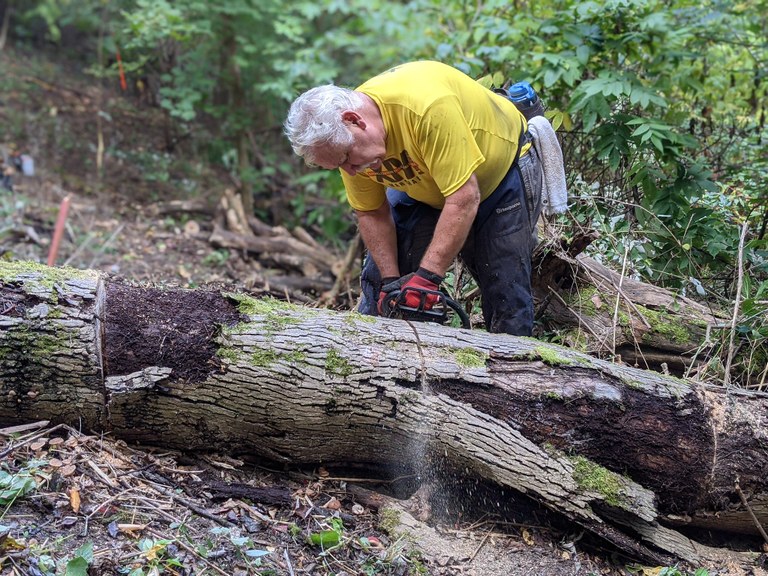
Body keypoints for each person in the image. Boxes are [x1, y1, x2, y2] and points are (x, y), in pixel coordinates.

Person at [284, 60, 544, 336]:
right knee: (381, 291)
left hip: (500, 173)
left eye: (347, 158)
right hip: (426, 183)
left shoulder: (426, 108)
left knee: (505, 292)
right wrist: (391, 282)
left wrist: (428, 278)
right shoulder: (348, 146)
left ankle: (512, 360)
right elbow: (371, 212)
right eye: (339, 165)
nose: (348, 171)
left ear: (354, 121)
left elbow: (463, 197)